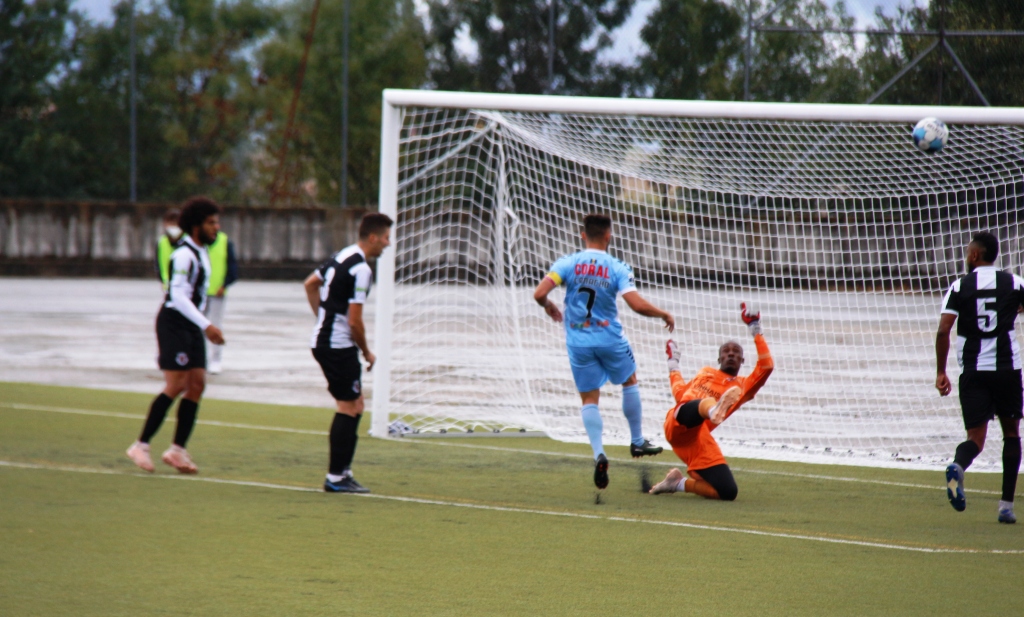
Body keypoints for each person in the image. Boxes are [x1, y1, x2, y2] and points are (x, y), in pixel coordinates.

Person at [533, 213, 674, 490]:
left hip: (578, 343)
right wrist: (662, 313)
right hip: (610, 339)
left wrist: (548, 305)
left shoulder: (567, 264)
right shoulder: (617, 266)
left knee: (589, 399)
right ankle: (636, 441)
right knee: (629, 380)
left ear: (583, 235)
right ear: (608, 236)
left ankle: (599, 453)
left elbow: (539, 293)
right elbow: (635, 304)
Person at [127, 197, 226, 474]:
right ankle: (141, 445)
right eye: (211, 222)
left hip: (191, 326)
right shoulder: (183, 254)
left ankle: (177, 450)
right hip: (173, 323)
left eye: (217, 222)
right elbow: (177, 297)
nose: (216, 228)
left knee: (196, 384)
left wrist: (201, 325)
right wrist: (207, 325)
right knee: (177, 383)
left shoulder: (201, 251)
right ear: (196, 225)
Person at [935, 231, 1024, 524]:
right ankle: (1006, 507)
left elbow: (943, 330)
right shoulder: (1014, 282)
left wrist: (940, 371)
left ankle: (958, 467)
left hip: (973, 372)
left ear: (975, 255)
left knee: (975, 438)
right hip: (1007, 369)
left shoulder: (959, 286)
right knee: (1011, 433)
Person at [303, 212, 393, 493]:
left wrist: (322, 319)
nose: (388, 245)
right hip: (337, 345)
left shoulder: (342, 255)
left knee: (355, 406)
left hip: (327, 341)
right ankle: (336, 477)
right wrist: (367, 352)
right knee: (349, 407)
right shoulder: (362, 269)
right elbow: (354, 320)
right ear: (374, 237)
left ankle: (342, 472)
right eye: (387, 238)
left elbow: (310, 284)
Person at [649, 303, 773, 501]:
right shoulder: (705, 372)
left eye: (736, 352)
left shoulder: (743, 386)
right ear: (719, 358)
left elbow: (766, 366)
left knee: (727, 492)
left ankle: (676, 483)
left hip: (698, 439)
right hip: (678, 423)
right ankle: (712, 409)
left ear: (742, 360)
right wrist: (673, 364)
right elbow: (681, 394)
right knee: (701, 402)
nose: (731, 353)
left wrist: (755, 328)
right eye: (726, 351)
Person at [203, 230, 238, 374]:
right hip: (200, 293)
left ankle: (216, 360)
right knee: (198, 326)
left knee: (216, 325)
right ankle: (200, 358)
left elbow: (232, 267)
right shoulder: (196, 242)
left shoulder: (225, 242)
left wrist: (224, 285)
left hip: (218, 292)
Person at [156, 209, 183, 290]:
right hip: (167, 286)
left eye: (176, 223)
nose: (174, 226)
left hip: (184, 287)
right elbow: (158, 264)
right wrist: (162, 280)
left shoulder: (188, 241)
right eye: (171, 223)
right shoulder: (161, 242)